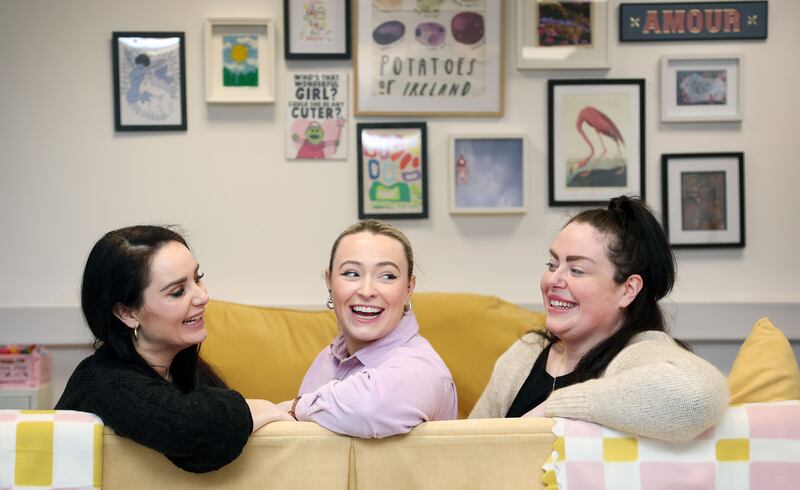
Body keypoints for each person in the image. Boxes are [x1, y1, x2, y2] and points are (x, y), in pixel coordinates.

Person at [469, 195, 729, 441]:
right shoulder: (524, 354)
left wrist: (554, 408)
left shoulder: (638, 353)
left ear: (627, 290)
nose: (553, 280)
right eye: (552, 265)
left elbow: (700, 395)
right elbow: (465, 446)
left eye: (577, 270)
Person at [56, 226, 293, 473]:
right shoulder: (102, 382)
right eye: (178, 291)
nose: (202, 297)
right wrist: (262, 408)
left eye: (198, 278)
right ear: (127, 313)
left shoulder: (183, 367)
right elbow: (194, 433)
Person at [281, 219, 458, 438]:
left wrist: (291, 408)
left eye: (387, 276)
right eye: (352, 273)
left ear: (409, 288)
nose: (367, 290)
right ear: (329, 282)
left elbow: (371, 408)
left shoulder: (422, 369)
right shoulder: (324, 360)